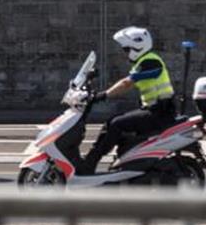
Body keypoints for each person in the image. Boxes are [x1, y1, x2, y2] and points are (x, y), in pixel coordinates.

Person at [75, 26, 176, 175]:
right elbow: (127, 85)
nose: (125, 53)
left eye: (127, 49)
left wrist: (102, 95)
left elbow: (126, 83)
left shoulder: (150, 62)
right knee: (112, 122)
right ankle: (115, 162)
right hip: (155, 110)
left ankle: (90, 164)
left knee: (116, 124)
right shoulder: (144, 62)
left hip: (160, 112)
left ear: (137, 47)